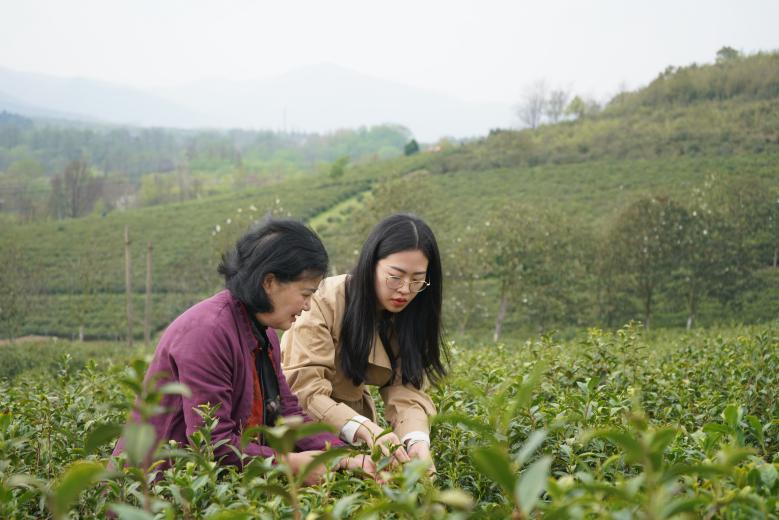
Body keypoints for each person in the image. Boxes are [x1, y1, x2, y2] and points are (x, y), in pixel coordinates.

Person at [112, 219, 374, 483]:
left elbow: (287, 412)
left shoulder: (264, 332)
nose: (307, 306)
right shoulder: (207, 333)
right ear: (269, 282)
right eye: (305, 294)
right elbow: (211, 443)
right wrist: (291, 463)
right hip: (152, 491)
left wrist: (342, 457)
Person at [281, 213, 447, 468]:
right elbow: (304, 389)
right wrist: (364, 428)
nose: (405, 289)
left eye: (417, 280)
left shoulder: (407, 316)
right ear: (371, 265)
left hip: (358, 435)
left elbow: (406, 389)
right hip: (303, 436)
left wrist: (417, 442)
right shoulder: (324, 301)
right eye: (395, 276)